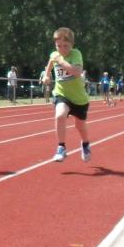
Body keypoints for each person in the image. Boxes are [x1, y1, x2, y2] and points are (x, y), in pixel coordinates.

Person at [43, 27, 91, 163]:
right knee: (60, 115)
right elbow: (49, 66)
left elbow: (76, 72)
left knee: (80, 126)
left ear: (72, 44)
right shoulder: (54, 55)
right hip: (61, 94)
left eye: (65, 46)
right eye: (59, 46)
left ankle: (85, 143)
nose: (62, 49)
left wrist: (61, 61)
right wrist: (46, 76)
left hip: (79, 98)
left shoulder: (76, 54)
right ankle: (61, 147)